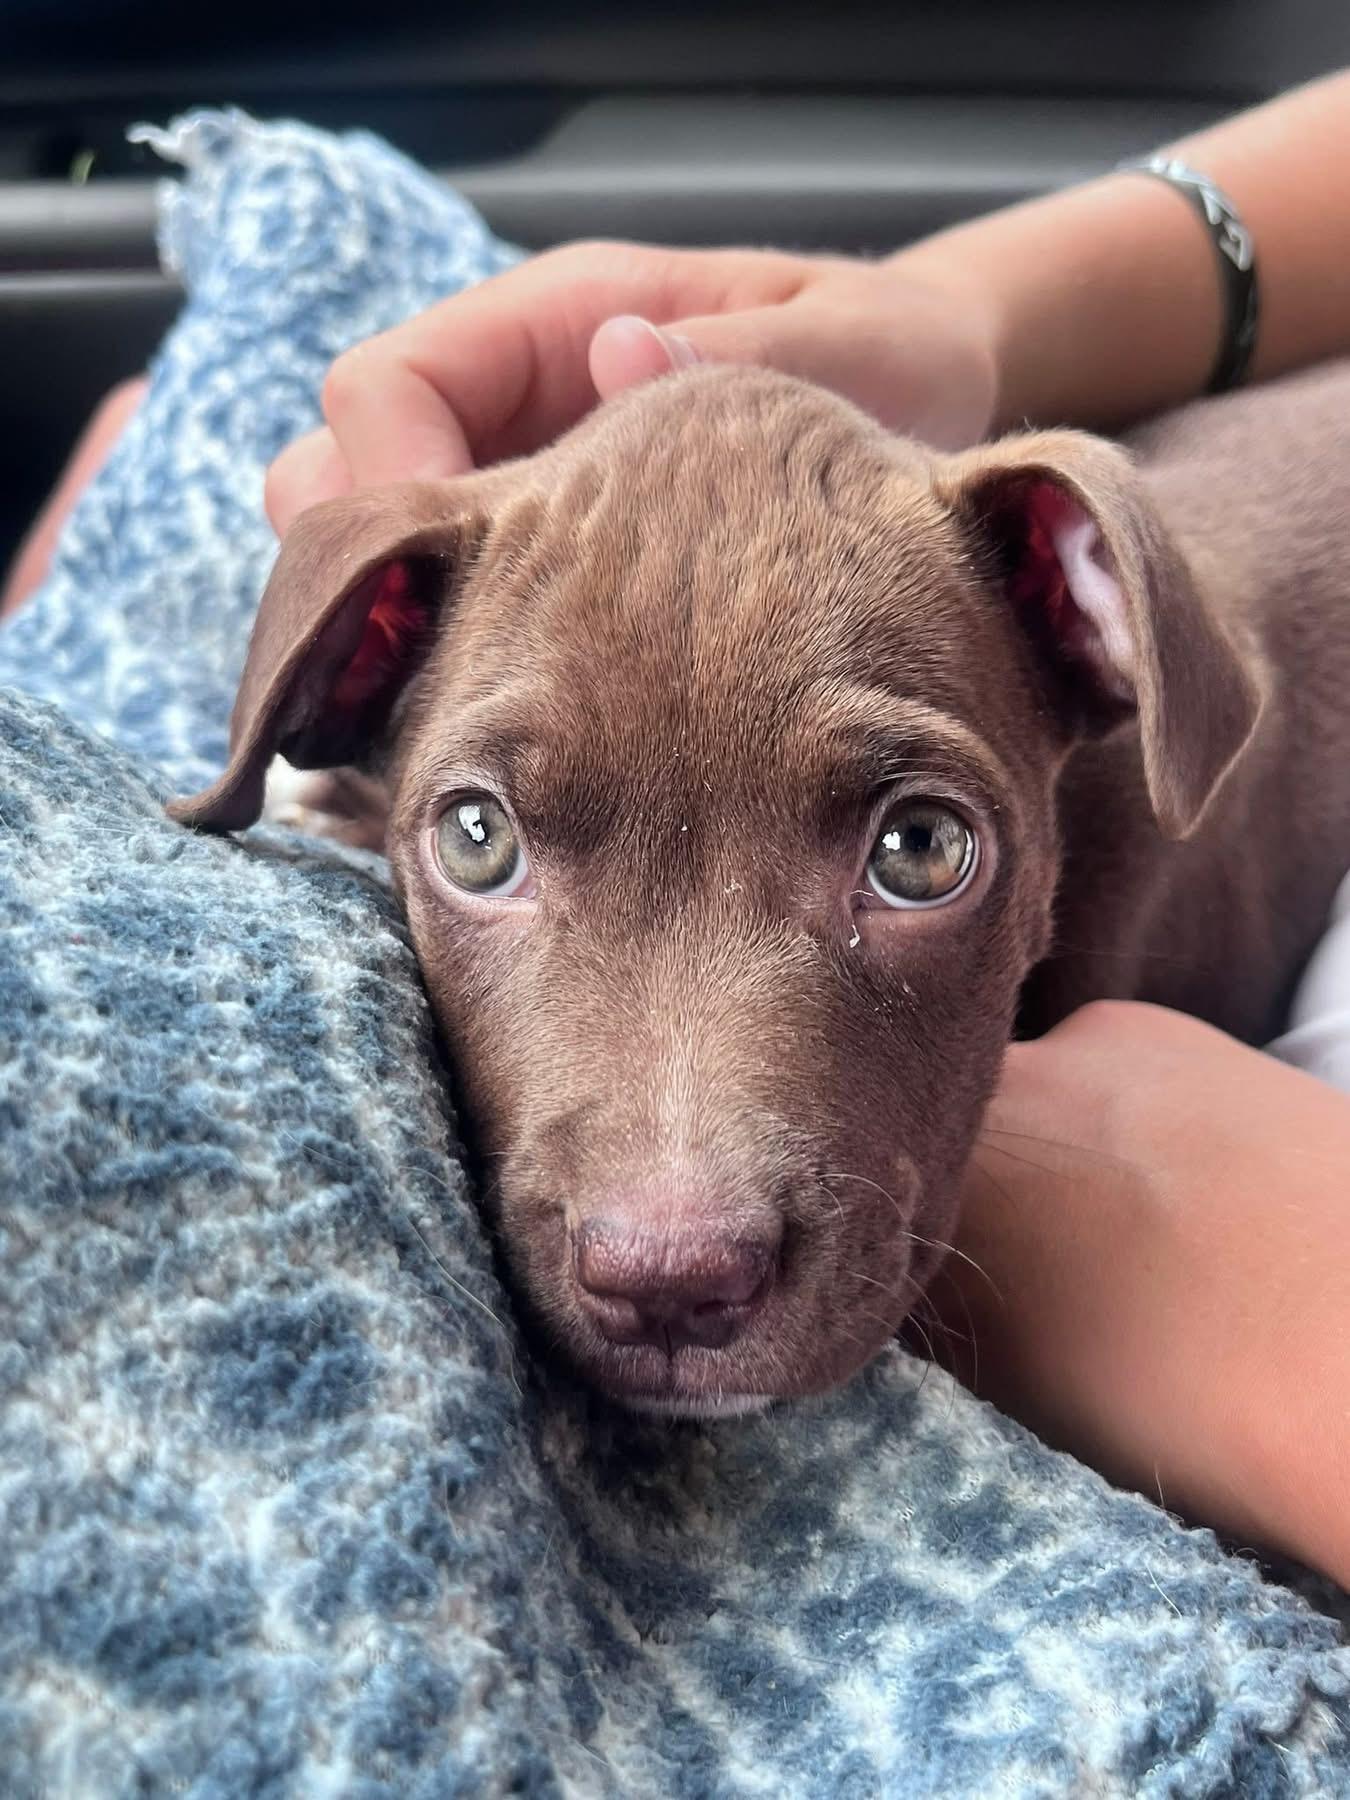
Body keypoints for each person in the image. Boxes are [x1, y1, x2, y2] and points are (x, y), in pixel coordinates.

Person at [7, 72, 1349, 1586]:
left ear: (1093, 644)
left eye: (913, 851)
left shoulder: (1088, 687)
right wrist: (961, 310)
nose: (673, 1232)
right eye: (482, 840)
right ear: (346, 681)